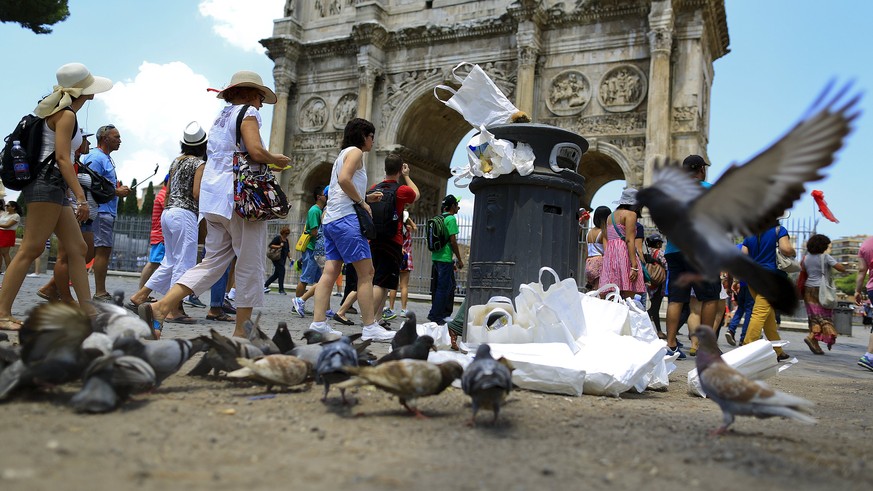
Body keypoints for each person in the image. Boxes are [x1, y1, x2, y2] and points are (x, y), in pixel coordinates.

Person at [137, 70, 291, 339]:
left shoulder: (221, 118)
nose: (260, 103)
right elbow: (254, 152)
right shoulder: (249, 114)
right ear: (248, 93)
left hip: (214, 199)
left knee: (212, 262)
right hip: (240, 201)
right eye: (259, 96)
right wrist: (274, 158)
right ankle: (242, 332)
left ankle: (161, 307)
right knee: (250, 262)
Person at [0, 63, 111, 330]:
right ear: (84, 91)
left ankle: (87, 312)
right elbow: (63, 158)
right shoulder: (67, 115)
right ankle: (2, 313)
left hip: (51, 186)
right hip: (47, 185)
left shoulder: (56, 110)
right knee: (31, 248)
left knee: (78, 248)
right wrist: (81, 198)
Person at [308, 117, 394, 342]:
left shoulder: (342, 155)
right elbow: (346, 180)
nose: (373, 141)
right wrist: (362, 203)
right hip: (347, 220)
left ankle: (318, 324)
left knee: (330, 272)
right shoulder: (356, 152)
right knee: (367, 273)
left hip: (332, 220)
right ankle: (370, 326)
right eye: (372, 136)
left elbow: (339, 188)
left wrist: (365, 197)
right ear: (363, 136)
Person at [129, 122, 208, 324]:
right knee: (185, 262)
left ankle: (139, 296)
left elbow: (169, 190)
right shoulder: (199, 164)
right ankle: (173, 310)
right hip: (185, 214)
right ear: (202, 145)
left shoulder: (175, 162)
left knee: (169, 261)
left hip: (169, 213)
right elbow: (197, 193)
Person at [662, 155, 722, 359]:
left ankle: (670, 343)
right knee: (710, 297)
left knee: (676, 299)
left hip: (674, 250)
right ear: (702, 170)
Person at [38, 129, 97, 302]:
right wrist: (77, 203)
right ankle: (64, 295)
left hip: (75, 209)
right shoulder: (69, 160)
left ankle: (53, 287)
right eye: (85, 139)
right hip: (70, 208)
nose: (88, 143)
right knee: (64, 255)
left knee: (84, 251)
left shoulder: (76, 162)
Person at [368, 154, 420, 321]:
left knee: (382, 281)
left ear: (385, 168)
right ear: (399, 170)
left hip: (374, 239)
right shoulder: (401, 190)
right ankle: (369, 322)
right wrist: (407, 175)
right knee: (382, 282)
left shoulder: (375, 187)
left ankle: (377, 319)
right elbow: (416, 194)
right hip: (393, 240)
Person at [84, 123, 131, 302]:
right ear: (105, 139)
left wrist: (115, 190)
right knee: (101, 251)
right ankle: (100, 292)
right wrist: (115, 192)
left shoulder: (104, 158)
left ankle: (53, 286)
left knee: (91, 252)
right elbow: (90, 184)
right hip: (101, 211)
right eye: (116, 137)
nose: (120, 140)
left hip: (105, 211)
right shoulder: (97, 158)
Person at [741, 220, 795, 361]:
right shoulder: (779, 230)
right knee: (759, 313)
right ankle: (747, 347)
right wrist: (793, 251)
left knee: (768, 315)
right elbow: (786, 249)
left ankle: (778, 350)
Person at [798, 234, 846, 354]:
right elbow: (841, 268)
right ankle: (811, 337)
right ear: (822, 246)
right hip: (822, 290)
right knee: (824, 317)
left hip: (808, 289)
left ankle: (814, 343)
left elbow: (802, 272)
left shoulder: (805, 258)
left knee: (814, 318)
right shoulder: (825, 257)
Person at [599, 188, 644, 299]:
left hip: (611, 255)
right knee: (628, 296)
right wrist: (634, 266)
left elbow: (609, 238)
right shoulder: (631, 214)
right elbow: (629, 240)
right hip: (624, 254)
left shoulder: (611, 216)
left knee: (612, 294)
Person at [429, 195, 464, 331]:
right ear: (452, 206)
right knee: (444, 288)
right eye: (456, 205)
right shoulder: (451, 219)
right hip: (445, 259)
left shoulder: (438, 219)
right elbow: (453, 241)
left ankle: (439, 313)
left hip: (436, 257)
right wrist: (459, 259)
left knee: (442, 287)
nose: (458, 207)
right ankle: (436, 316)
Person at [292, 186, 327, 314]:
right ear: (318, 197)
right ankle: (296, 304)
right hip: (311, 248)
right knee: (305, 278)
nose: (326, 196)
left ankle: (323, 308)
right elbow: (313, 231)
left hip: (316, 249)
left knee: (320, 280)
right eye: (324, 194)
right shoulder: (314, 210)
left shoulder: (318, 210)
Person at [140, 175, 168, 289]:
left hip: (160, 235)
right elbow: (168, 207)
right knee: (154, 263)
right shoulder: (163, 194)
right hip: (160, 235)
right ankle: (141, 291)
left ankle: (142, 291)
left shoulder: (162, 193)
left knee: (155, 263)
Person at [388, 210, 417, 318]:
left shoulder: (397, 230)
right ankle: (403, 309)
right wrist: (409, 219)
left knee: (393, 286)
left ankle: (391, 308)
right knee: (404, 286)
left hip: (396, 256)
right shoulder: (408, 229)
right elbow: (415, 228)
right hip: (407, 258)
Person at [853, 235, 873, 371]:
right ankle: (869, 357)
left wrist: (857, 291)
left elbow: (862, 271)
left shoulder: (866, 244)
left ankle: (869, 356)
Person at [644, 233, 667, 339]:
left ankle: (659, 331)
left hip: (651, 282)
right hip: (659, 284)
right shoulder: (660, 253)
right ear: (658, 243)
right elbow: (667, 265)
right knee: (654, 308)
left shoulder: (648, 252)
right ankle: (642, 324)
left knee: (655, 307)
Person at [585, 206, 610, 290]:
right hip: (599, 263)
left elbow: (586, 251)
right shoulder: (603, 232)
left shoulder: (589, 233)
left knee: (592, 289)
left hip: (589, 263)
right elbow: (607, 251)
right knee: (599, 289)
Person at [265, 225, 291, 294]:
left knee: (276, 274)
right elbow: (270, 245)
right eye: (286, 233)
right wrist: (279, 246)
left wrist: (290, 258)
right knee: (282, 272)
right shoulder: (278, 238)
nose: (287, 235)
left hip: (283, 259)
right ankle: (281, 289)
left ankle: (265, 285)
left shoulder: (286, 240)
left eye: (288, 234)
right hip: (277, 258)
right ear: (283, 233)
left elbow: (288, 250)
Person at [0, 202, 22, 275]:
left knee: (5, 253)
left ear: (13, 207)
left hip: (7, 233)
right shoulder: (4, 214)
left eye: (8, 206)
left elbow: (7, 225)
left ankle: (9, 270)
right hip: (1, 232)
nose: (6, 207)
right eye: (6, 205)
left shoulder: (16, 216)